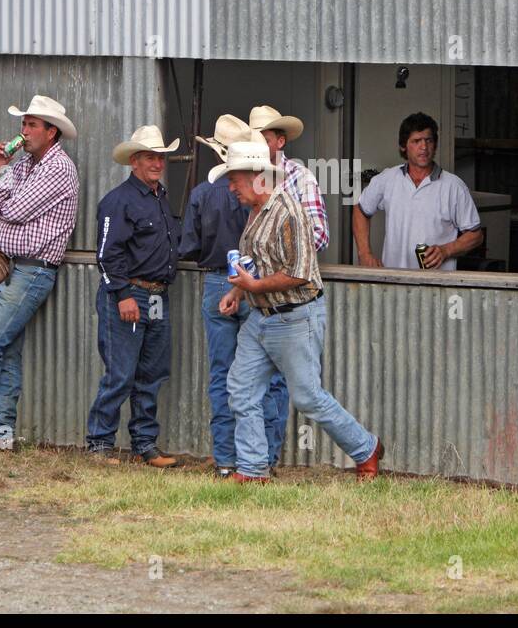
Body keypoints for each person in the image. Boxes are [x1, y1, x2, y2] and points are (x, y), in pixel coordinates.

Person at [216, 139, 383, 483]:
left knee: (308, 398)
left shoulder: (289, 212)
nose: (231, 187)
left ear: (258, 176)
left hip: (296, 317)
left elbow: (298, 273)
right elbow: (258, 264)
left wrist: (253, 288)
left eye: (236, 179)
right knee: (241, 389)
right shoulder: (255, 212)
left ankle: (366, 449)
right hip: (261, 318)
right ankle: (252, 469)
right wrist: (237, 290)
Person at [180, 115, 290, 478]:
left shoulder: (200, 194)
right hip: (260, 284)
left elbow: (190, 246)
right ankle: (267, 457)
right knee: (268, 375)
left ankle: (227, 458)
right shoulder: (263, 192)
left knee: (223, 372)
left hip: (217, 282)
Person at [0, 95, 80, 449]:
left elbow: (14, 210)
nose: (24, 131)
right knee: (5, 351)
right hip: (8, 267)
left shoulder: (58, 167)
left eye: (33, 125)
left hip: (32, 270)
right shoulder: (21, 164)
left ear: (52, 132)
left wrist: (4, 190)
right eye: (24, 123)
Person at [87, 125, 182, 467]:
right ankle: (99, 444)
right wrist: (123, 293)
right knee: (121, 373)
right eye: (150, 157)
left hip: (157, 295)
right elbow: (106, 254)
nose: (157, 163)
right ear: (134, 162)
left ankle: (145, 444)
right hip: (129, 295)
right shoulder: (118, 201)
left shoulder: (160, 198)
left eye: (160, 157)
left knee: (151, 374)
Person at [352, 112, 483, 270]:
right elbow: (360, 210)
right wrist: (364, 254)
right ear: (403, 146)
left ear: (434, 144)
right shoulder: (387, 179)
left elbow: (475, 235)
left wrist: (446, 250)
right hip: (393, 282)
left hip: (436, 287)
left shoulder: (453, 186)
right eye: (416, 141)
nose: (424, 147)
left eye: (428, 140)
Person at [247, 105, 329, 251]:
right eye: (254, 140)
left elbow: (319, 236)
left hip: (286, 272)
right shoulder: (245, 178)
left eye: (265, 141)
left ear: (281, 142)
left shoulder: (301, 178)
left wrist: (275, 251)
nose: (258, 147)